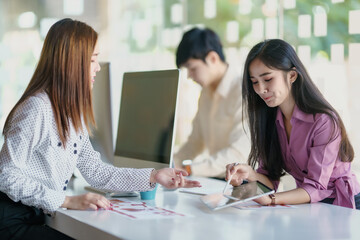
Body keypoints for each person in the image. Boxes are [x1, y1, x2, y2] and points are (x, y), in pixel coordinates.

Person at [0, 18, 201, 240]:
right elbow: (6, 174)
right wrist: (65, 201)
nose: (97, 67)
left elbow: (97, 172)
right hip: (12, 222)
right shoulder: (37, 108)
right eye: (93, 60)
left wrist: (154, 175)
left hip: (34, 216)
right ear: (72, 63)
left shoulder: (68, 113)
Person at [226, 39, 360, 209]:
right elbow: (270, 180)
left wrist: (272, 199)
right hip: (310, 205)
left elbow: (316, 187)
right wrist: (250, 175)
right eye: (254, 82)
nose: (260, 89)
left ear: (292, 76)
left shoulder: (323, 122)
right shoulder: (269, 119)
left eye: (267, 79)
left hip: (344, 205)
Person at [173, 27, 250, 178]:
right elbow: (195, 142)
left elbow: (238, 154)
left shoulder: (243, 91)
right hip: (219, 182)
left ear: (213, 58)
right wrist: (171, 165)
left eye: (192, 68)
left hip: (247, 186)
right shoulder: (206, 93)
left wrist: (189, 169)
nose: (189, 76)